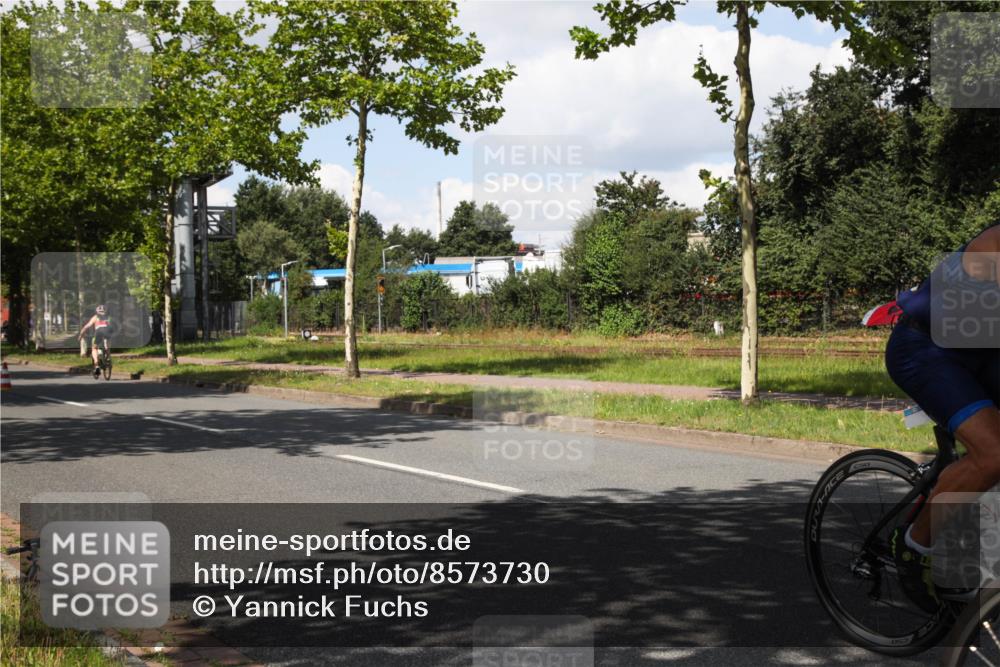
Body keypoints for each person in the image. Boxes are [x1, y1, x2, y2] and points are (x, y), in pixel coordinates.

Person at [885, 223, 1000, 609]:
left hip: (982, 351)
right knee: (994, 454)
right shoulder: (994, 243)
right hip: (927, 349)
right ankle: (914, 546)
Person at [78, 304, 112, 379]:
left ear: (97, 311)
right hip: (108, 333)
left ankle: (96, 366)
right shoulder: (109, 317)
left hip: (99, 333)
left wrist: (81, 335)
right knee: (107, 347)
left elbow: (86, 326)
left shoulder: (95, 317)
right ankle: (108, 357)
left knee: (94, 348)